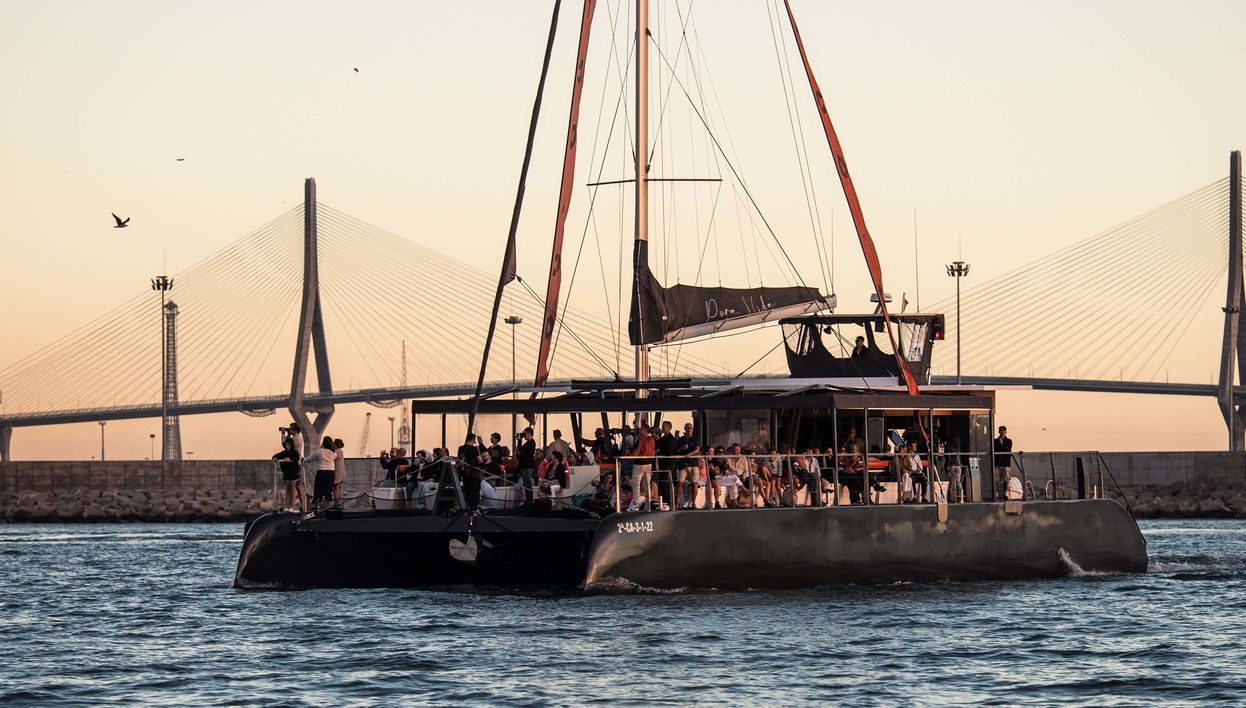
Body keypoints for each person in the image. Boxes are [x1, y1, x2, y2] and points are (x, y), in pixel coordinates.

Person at [271, 438, 302, 512]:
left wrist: (288, 459)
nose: (287, 446)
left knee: (293, 490)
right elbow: (275, 456)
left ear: (292, 445)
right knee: (287, 490)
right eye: (286, 445)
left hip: (293, 473)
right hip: (286, 473)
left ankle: (291, 507)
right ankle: (287, 507)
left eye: (289, 445)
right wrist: (275, 458)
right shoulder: (284, 452)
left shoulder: (295, 452)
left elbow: (296, 458)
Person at [629, 425, 655, 511]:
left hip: (639, 463)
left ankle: (636, 503)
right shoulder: (652, 440)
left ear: (645, 430)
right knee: (647, 483)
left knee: (636, 483)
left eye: (642, 429)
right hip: (649, 463)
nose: (640, 431)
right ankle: (647, 502)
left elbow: (636, 453)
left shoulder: (640, 440)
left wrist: (629, 455)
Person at [458, 434, 484, 511]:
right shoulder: (474, 449)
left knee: (467, 490)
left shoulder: (461, 448)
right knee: (474, 491)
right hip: (474, 473)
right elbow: (480, 461)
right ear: (472, 440)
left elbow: (459, 461)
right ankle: (474, 508)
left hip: (464, 473)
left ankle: (467, 506)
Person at [655, 421, 677, 508]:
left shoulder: (671, 439)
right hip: (663, 463)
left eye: (665, 427)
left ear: (669, 428)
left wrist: (660, 451)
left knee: (664, 482)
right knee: (661, 482)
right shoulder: (664, 438)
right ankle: (664, 501)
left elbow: (669, 452)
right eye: (663, 426)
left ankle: (668, 502)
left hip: (668, 463)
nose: (663, 428)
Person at [311, 436, 337, 510]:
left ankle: (315, 505)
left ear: (323, 443)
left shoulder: (319, 451)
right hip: (331, 472)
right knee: (328, 489)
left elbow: (310, 458)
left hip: (321, 471)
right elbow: (334, 458)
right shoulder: (333, 452)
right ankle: (327, 506)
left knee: (318, 488)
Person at [516, 427, 537, 505]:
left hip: (527, 466)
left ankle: (529, 501)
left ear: (528, 433)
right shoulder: (528, 442)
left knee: (528, 485)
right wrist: (519, 440)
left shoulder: (531, 442)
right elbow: (520, 449)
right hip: (524, 466)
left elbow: (521, 450)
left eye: (524, 433)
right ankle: (528, 501)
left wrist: (519, 440)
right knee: (525, 484)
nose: (524, 435)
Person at [994, 426, 1014, 501]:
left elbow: (1008, 449)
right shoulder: (995, 441)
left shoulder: (1009, 441)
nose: (1002, 431)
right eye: (1001, 430)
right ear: (999, 431)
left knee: (1006, 480)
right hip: (997, 463)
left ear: (1006, 432)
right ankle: (996, 495)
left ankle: (1006, 495)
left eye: (1003, 430)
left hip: (1006, 463)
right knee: (996, 480)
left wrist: (1001, 447)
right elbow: (996, 448)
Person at [944, 436, 965, 503]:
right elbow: (960, 457)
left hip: (951, 465)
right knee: (958, 481)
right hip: (958, 466)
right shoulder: (957, 447)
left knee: (949, 481)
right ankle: (960, 497)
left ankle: (950, 497)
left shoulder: (948, 447)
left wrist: (947, 466)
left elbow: (948, 457)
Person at [332, 438, 346, 502]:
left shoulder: (337, 451)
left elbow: (331, 457)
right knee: (338, 488)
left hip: (338, 473)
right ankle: (339, 503)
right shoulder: (340, 451)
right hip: (341, 472)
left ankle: (337, 503)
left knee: (335, 488)